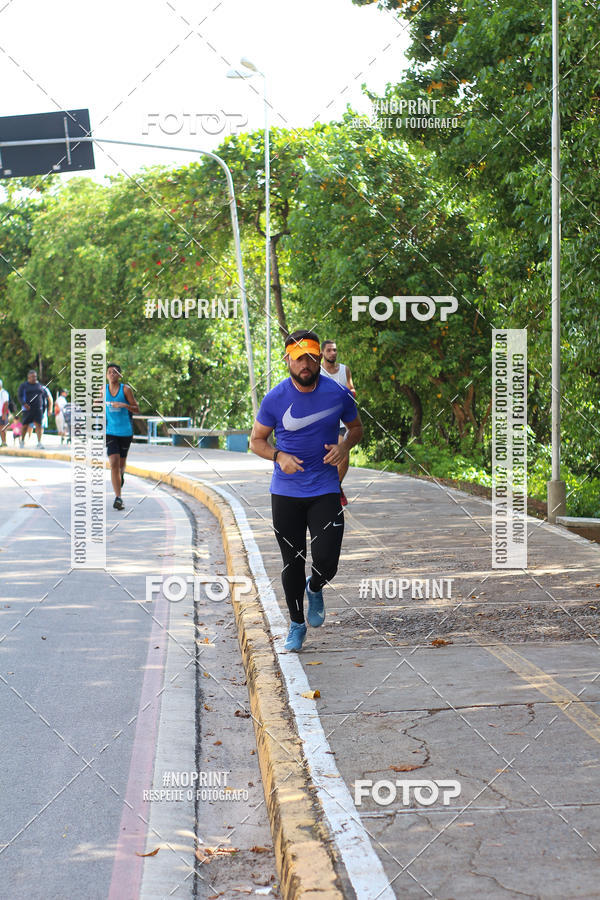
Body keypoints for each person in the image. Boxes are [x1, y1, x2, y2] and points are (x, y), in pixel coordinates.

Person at [250, 330, 363, 652]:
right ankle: (296, 624)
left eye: (312, 357)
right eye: (299, 357)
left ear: (319, 359)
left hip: (325, 487)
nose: (306, 363)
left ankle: (316, 586)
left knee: (328, 560)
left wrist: (344, 446)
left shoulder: (338, 393)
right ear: (287, 359)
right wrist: (278, 455)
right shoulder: (274, 398)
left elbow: (356, 428)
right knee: (292, 560)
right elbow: (256, 440)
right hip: (286, 492)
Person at [320, 340, 357, 507]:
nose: (332, 353)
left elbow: (352, 388)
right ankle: (328, 490)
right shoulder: (317, 371)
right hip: (321, 422)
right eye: (329, 350)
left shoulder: (344, 369)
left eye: (334, 350)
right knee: (325, 459)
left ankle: (336, 486)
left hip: (341, 421)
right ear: (322, 353)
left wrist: (349, 393)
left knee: (344, 457)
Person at [105, 363, 138, 510]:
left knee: (121, 466)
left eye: (115, 372)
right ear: (106, 375)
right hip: (110, 432)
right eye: (109, 372)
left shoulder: (126, 390)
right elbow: (95, 403)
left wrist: (123, 405)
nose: (112, 374)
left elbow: (137, 409)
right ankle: (118, 498)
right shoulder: (103, 390)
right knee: (113, 463)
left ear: (119, 375)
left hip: (125, 432)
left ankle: (121, 475)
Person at [18, 370, 49, 449]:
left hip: (38, 409)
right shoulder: (24, 386)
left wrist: (46, 408)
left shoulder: (39, 386)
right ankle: (22, 441)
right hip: (27, 409)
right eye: (32, 376)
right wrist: (24, 404)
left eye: (35, 376)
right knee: (25, 426)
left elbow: (46, 396)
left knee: (38, 425)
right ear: (28, 377)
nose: (34, 378)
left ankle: (39, 442)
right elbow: (20, 396)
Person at [0, 379, 12, 446]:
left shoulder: (3, 392)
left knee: (2, 428)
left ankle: (4, 442)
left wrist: (4, 414)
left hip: (2, 414)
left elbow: (6, 403)